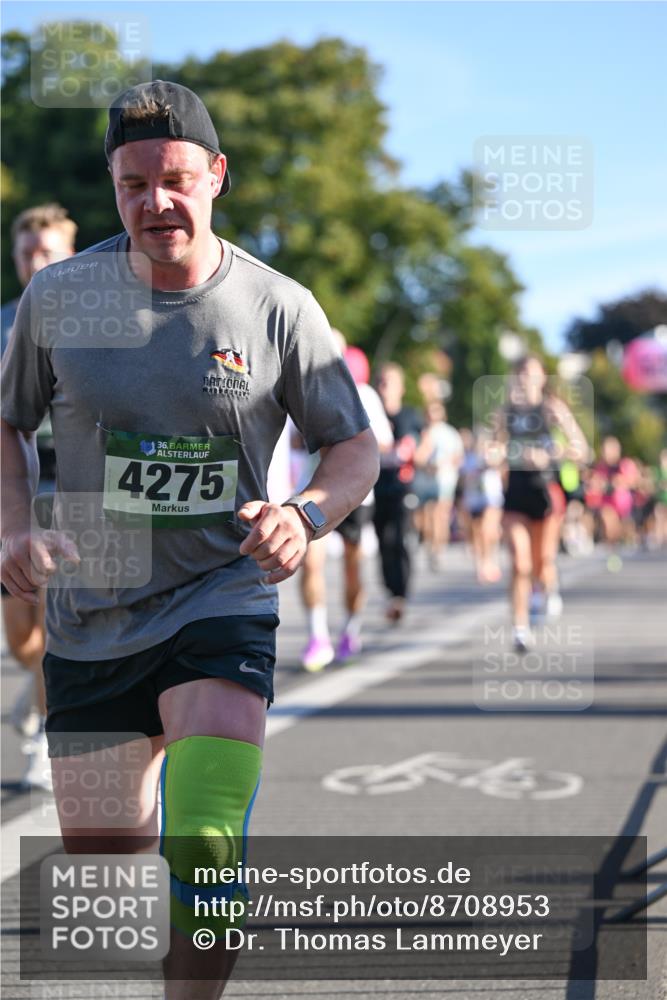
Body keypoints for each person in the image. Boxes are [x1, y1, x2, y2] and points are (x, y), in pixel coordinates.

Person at [1, 80, 379, 999]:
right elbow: (6, 423)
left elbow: (353, 444)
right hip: (93, 614)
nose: (155, 203)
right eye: (133, 185)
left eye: (174, 180)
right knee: (105, 850)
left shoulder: (277, 306)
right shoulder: (61, 297)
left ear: (216, 175)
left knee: (205, 845)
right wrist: (13, 524)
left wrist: (303, 514)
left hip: (220, 596)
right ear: (113, 186)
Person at [1, 203, 77, 789]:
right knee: (22, 640)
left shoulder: (95, 321)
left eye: (47, 252)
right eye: (27, 252)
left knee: (52, 627)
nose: (36, 262)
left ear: (70, 256)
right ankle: (34, 688)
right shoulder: (4, 321)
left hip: (66, 484)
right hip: (10, 487)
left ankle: (47, 738)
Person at [299, 338, 393, 670]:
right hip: (312, 490)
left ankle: (351, 628)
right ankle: (317, 636)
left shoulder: (363, 394)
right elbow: (293, 440)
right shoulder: (303, 388)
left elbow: (383, 442)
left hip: (355, 493)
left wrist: (348, 439)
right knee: (310, 563)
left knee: (352, 568)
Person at [493, 355, 588, 651]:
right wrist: (495, 454)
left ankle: (548, 588)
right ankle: (520, 629)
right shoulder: (505, 412)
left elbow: (582, 449)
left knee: (542, 562)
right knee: (519, 562)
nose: (525, 379)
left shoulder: (552, 409)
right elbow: (492, 446)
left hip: (545, 493)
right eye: (521, 373)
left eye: (531, 374)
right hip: (515, 494)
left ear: (542, 378)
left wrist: (551, 454)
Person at [372, 362, 422, 623]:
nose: (384, 387)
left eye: (389, 382)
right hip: (376, 487)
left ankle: (401, 593)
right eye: (380, 381)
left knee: (399, 538)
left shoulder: (410, 415)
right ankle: (390, 592)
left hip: (402, 488)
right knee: (383, 541)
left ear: (401, 387)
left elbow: (418, 446)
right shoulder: (369, 414)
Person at [413, 401, 463, 571]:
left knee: (441, 515)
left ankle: (438, 549)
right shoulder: (423, 432)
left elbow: (458, 456)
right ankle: (430, 544)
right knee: (425, 516)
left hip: (445, 479)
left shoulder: (449, 433)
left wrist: (443, 464)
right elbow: (417, 457)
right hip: (425, 481)